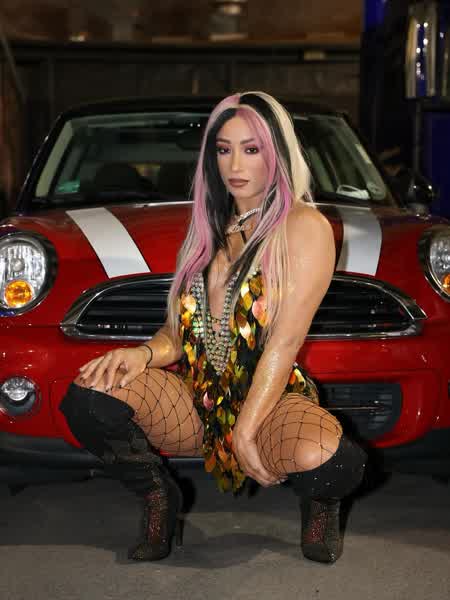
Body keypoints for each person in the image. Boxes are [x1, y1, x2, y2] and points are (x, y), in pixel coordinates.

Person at [60, 91, 367, 564]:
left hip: (270, 399)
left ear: (278, 153)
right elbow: (177, 333)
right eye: (224, 149)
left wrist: (246, 431)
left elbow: (284, 342)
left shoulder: (304, 226)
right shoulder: (207, 229)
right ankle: (159, 497)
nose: (235, 165)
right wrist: (141, 354)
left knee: (332, 463)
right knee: (90, 391)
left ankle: (320, 504)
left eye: (251, 148)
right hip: (199, 398)